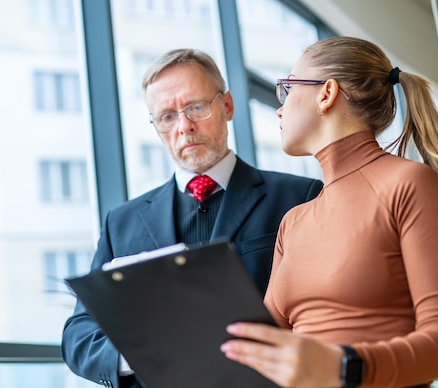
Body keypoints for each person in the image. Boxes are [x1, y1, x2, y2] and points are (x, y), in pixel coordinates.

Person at [220, 36, 438, 387]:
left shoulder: (410, 185)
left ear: (326, 94)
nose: (279, 108)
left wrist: (344, 365)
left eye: (287, 89)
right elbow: (262, 346)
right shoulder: (293, 222)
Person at [61, 48, 324, 388]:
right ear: (156, 127)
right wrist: (141, 353)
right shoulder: (120, 223)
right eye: (167, 116)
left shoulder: (299, 197)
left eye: (196, 107)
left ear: (227, 106)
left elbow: (324, 310)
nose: (184, 126)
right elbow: (79, 336)